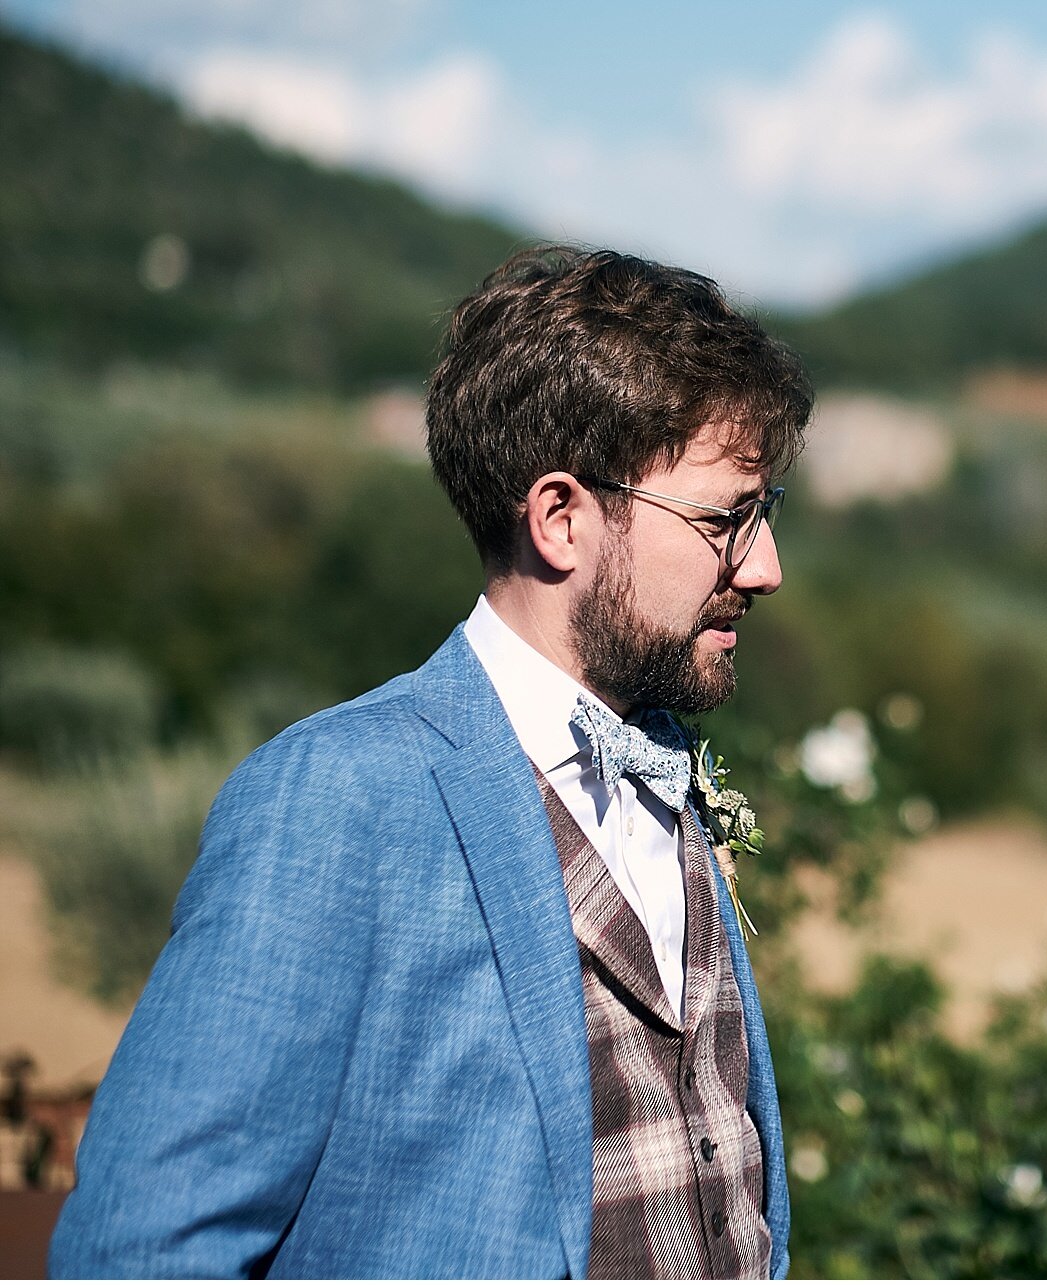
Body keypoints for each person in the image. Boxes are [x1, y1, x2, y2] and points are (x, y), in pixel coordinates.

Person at [49, 245, 812, 1279]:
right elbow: (141, 1251)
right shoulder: (337, 799)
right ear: (559, 518)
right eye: (727, 519)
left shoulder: (668, 766)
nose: (763, 567)